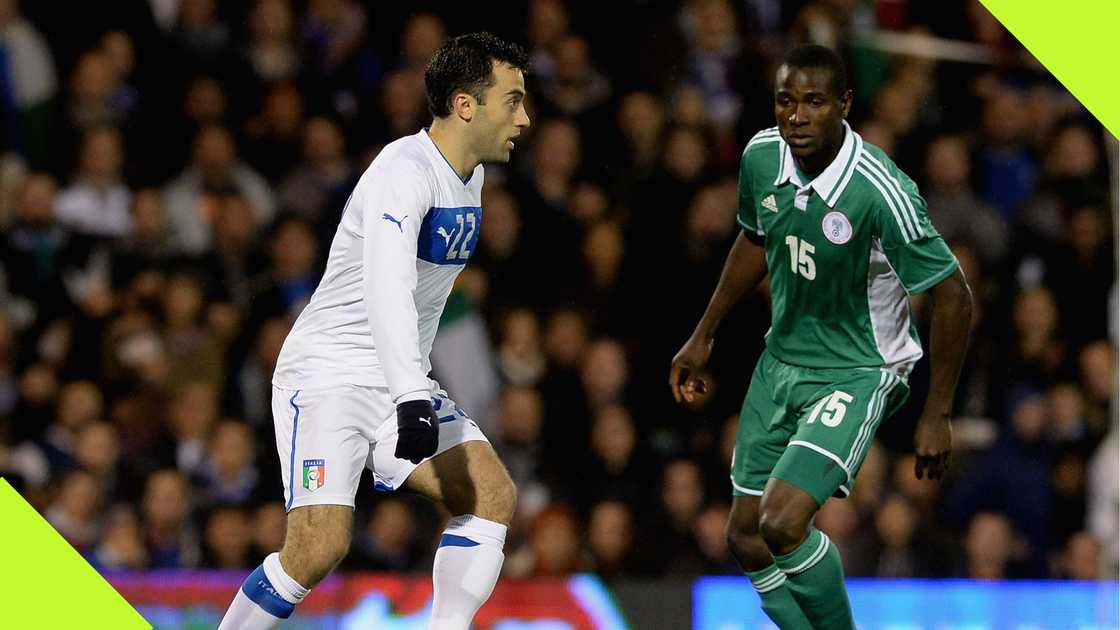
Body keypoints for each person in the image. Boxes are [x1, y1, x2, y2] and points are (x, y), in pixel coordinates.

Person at [218, 32, 530, 630]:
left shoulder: (471, 177)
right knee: (317, 547)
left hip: (397, 378)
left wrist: (408, 388)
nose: (525, 117)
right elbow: (387, 286)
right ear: (467, 105)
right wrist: (413, 395)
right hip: (329, 375)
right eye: (512, 101)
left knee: (491, 495)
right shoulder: (401, 170)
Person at [669, 45, 972, 629]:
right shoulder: (761, 157)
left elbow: (954, 294)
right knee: (745, 537)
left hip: (860, 369)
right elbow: (755, 238)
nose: (798, 116)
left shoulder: (880, 189)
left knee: (781, 524)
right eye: (786, 101)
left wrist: (938, 412)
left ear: (844, 105)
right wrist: (704, 333)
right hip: (781, 361)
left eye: (814, 102)